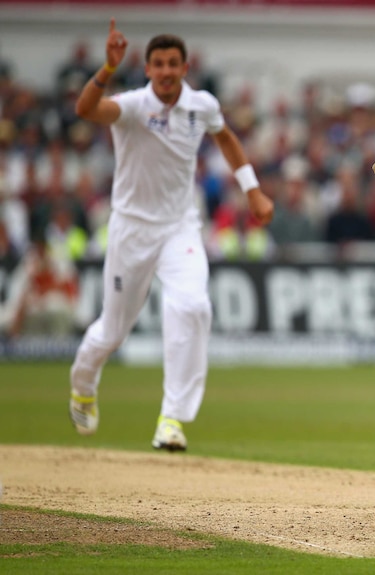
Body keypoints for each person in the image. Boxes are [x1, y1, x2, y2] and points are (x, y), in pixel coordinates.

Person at [68, 19, 273, 451]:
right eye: (157, 64)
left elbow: (228, 140)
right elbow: (86, 111)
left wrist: (252, 190)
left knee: (193, 305)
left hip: (180, 226)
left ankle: (172, 420)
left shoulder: (202, 104)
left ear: (184, 68)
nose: (164, 71)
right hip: (130, 228)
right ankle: (83, 384)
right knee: (112, 331)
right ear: (146, 68)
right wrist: (105, 69)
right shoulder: (132, 105)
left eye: (172, 64)